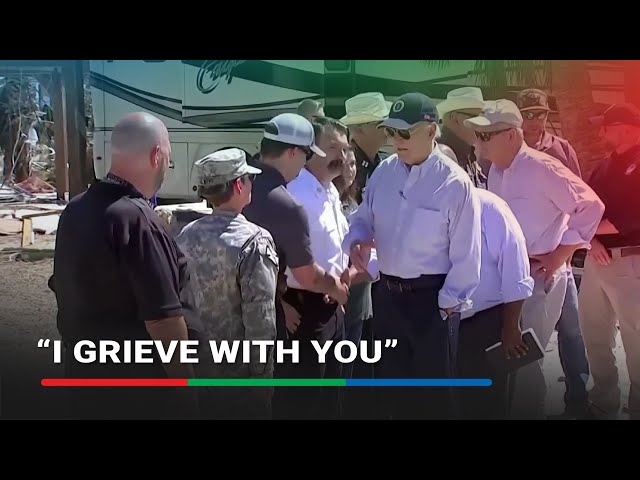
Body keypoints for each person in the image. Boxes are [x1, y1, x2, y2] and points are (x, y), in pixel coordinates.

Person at [50, 112, 200, 419]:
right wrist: (187, 391)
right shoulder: (138, 219)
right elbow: (164, 321)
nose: (168, 164)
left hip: (85, 383)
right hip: (139, 396)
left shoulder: (76, 209)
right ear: (156, 154)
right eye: (168, 154)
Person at [344, 92, 483, 420]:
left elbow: (467, 254)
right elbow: (364, 217)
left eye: (404, 133)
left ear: (432, 131)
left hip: (432, 302)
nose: (395, 141)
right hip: (388, 300)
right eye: (390, 131)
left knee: (434, 399)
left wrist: (448, 304)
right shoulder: (384, 173)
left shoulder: (454, 183)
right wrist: (357, 240)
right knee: (392, 395)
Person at [464, 99, 604, 419]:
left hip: (539, 277)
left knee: (527, 366)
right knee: (512, 362)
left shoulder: (543, 167)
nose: (478, 141)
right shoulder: (497, 172)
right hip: (508, 278)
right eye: (478, 134)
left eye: (486, 135)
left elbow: (590, 207)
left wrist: (559, 255)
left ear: (511, 136)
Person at [242, 113, 349, 418]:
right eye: (305, 156)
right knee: (306, 403)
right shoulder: (286, 203)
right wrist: (337, 288)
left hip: (241, 320)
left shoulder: (242, 187)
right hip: (288, 317)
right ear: (292, 152)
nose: (304, 165)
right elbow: (307, 274)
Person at [176, 148, 278, 419]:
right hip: (239, 377)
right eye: (248, 178)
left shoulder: (185, 235)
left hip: (197, 369)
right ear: (238, 185)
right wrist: (263, 377)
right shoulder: (255, 241)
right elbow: (261, 318)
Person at [283, 116, 367, 419]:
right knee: (305, 400)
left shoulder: (330, 191)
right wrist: (281, 301)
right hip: (302, 311)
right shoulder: (294, 194)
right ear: (310, 149)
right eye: (332, 147)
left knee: (331, 397)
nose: (341, 157)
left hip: (333, 307)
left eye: (345, 150)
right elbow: (273, 253)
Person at [516, 88, 591, 418]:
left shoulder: (562, 150)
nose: (533, 120)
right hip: (521, 267)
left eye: (539, 113)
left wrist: (565, 251)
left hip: (557, 263)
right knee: (524, 338)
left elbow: (583, 204)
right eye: (527, 114)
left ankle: (579, 400)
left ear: (549, 115)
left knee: (573, 332)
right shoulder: (505, 151)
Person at [580, 103, 640, 420]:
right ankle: (603, 405)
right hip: (597, 258)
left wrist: (585, 232)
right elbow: (585, 208)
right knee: (595, 334)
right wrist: (590, 239)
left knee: (637, 341)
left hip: (632, 261)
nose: (600, 131)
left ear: (628, 128)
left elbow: (630, 216)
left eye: (607, 125)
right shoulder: (604, 166)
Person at [340, 92, 391, 203]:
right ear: (360, 129)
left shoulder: (388, 161)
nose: (387, 126)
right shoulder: (344, 166)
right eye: (381, 122)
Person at [436, 87, 488, 187]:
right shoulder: (441, 156)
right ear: (455, 119)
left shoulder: (468, 153)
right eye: (476, 117)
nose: (481, 124)